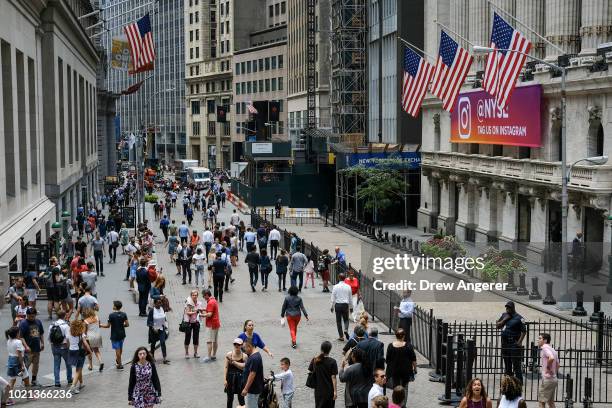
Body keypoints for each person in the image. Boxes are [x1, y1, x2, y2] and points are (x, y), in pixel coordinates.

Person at [496, 301, 526, 384]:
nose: (507, 309)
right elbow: (497, 326)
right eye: (506, 307)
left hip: (514, 343)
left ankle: (519, 382)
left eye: (509, 307)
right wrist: (504, 320)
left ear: (513, 308)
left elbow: (524, 331)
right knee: (507, 363)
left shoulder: (520, 318)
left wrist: (519, 342)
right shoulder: (504, 315)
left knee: (516, 364)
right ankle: (509, 382)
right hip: (505, 343)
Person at [385, 328, 416, 405]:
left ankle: (396, 403)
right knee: (405, 388)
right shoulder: (409, 346)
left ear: (396, 336)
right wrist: (415, 369)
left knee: (396, 388)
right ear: (403, 336)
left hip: (394, 372)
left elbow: (387, 360)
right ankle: (403, 404)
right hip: (406, 372)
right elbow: (413, 360)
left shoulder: (390, 346)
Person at [99, 300, 129, 369]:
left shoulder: (111, 315)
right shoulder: (124, 314)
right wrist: (121, 325)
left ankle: (120, 365)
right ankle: (118, 360)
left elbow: (108, 326)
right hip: (122, 334)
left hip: (114, 335)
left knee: (117, 350)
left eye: (113, 305)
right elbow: (127, 324)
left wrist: (100, 325)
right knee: (120, 348)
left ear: (115, 307)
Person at [308, 341, 338, 408]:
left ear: (321, 349)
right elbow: (333, 378)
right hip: (329, 391)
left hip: (318, 391)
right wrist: (335, 392)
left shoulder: (315, 360)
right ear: (330, 350)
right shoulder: (332, 362)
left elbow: (310, 370)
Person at [19, 308, 44, 386]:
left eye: (33, 316)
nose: (31, 318)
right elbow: (21, 336)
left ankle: (34, 379)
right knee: (26, 366)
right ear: (27, 315)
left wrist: (42, 343)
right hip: (27, 350)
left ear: (35, 315)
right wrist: (26, 346)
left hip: (37, 348)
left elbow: (41, 333)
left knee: (36, 365)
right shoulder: (23, 323)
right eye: (29, 316)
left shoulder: (38, 322)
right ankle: (24, 381)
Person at [67, 319, 92, 394]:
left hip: (71, 351)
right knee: (78, 370)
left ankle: (81, 383)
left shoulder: (69, 333)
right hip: (79, 352)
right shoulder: (81, 334)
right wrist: (90, 351)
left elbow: (68, 342)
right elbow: (86, 344)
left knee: (78, 368)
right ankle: (73, 386)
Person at [49, 310, 73, 387]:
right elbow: (68, 338)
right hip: (64, 347)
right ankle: (69, 379)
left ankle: (57, 382)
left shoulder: (52, 325)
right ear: (65, 316)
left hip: (55, 347)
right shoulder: (65, 326)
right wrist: (69, 348)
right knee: (68, 364)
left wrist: (52, 346)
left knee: (56, 365)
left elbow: (49, 338)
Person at [5, 326, 31, 396]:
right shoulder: (18, 342)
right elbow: (19, 354)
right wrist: (22, 365)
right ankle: (29, 394)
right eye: (19, 332)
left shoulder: (8, 341)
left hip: (11, 360)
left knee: (12, 380)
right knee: (26, 377)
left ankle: (6, 398)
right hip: (18, 361)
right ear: (17, 334)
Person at [538, 333, 559, 408]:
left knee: (542, 401)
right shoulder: (553, 349)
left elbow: (551, 358)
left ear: (545, 340)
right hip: (553, 378)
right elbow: (558, 365)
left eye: (540, 338)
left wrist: (548, 367)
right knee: (551, 402)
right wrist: (553, 372)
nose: (538, 340)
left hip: (547, 379)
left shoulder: (545, 348)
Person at [241, 339, 264, 408]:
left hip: (252, 389)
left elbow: (252, 374)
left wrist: (246, 389)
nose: (244, 350)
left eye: (245, 347)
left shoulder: (254, 358)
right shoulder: (255, 356)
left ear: (250, 346)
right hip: (254, 388)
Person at [225, 338, 247, 408]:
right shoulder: (229, 354)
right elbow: (226, 367)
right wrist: (225, 379)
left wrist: (234, 363)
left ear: (241, 345)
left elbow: (244, 368)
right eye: (235, 344)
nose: (237, 346)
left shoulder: (244, 356)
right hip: (230, 378)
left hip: (240, 379)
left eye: (238, 344)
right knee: (230, 398)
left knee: (241, 398)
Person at [147, 299, 170, 364]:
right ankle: (152, 356)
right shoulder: (152, 311)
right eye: (158, 303)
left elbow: (164, 318)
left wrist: (165, 325)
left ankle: (164, 358)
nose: (159, 304)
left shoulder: (162, 309)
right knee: (153, 343)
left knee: (163, 342)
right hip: (154, 330)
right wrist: (153, 327)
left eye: (160, 303)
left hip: (161, 329)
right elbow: (149, 321)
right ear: (154, 304)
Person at [331, 273, 353, 341]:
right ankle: (346, 329)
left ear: (339, 278)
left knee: (338, 321)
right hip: (345, 305)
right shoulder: (348, 286)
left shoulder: (335, 286)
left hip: (338, 305)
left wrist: (332, 306)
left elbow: (333, 297)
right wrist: (351, 307)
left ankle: (341, 336)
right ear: (345, 278)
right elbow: (350, 298)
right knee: (346, 319)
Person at [201, 289, 221, 363]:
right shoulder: (213, 300)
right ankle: (214, 355)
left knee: (209, 341)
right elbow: (210, 310)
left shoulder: (210, 302)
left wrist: (201, 315)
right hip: (216, 323)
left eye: (204, 296)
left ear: (206, 295)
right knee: (215, 340)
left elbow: (209, 314)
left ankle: (209, 356)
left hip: (211, 324)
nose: (203, 297)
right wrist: (203, 309)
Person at [183, 290, 203, 359]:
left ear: (197, 296)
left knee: (196, 338)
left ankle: (195, 352)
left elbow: (200, 311)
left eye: (196, 295)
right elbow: (188, 312)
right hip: (188, 322)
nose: (194, 296)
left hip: (196, 322)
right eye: (193, 295)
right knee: (187, 338)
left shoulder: (199, 303)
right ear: (191, 296)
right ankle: (186, 353)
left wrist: (202, 313)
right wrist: (196, 311)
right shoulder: (188, 303)